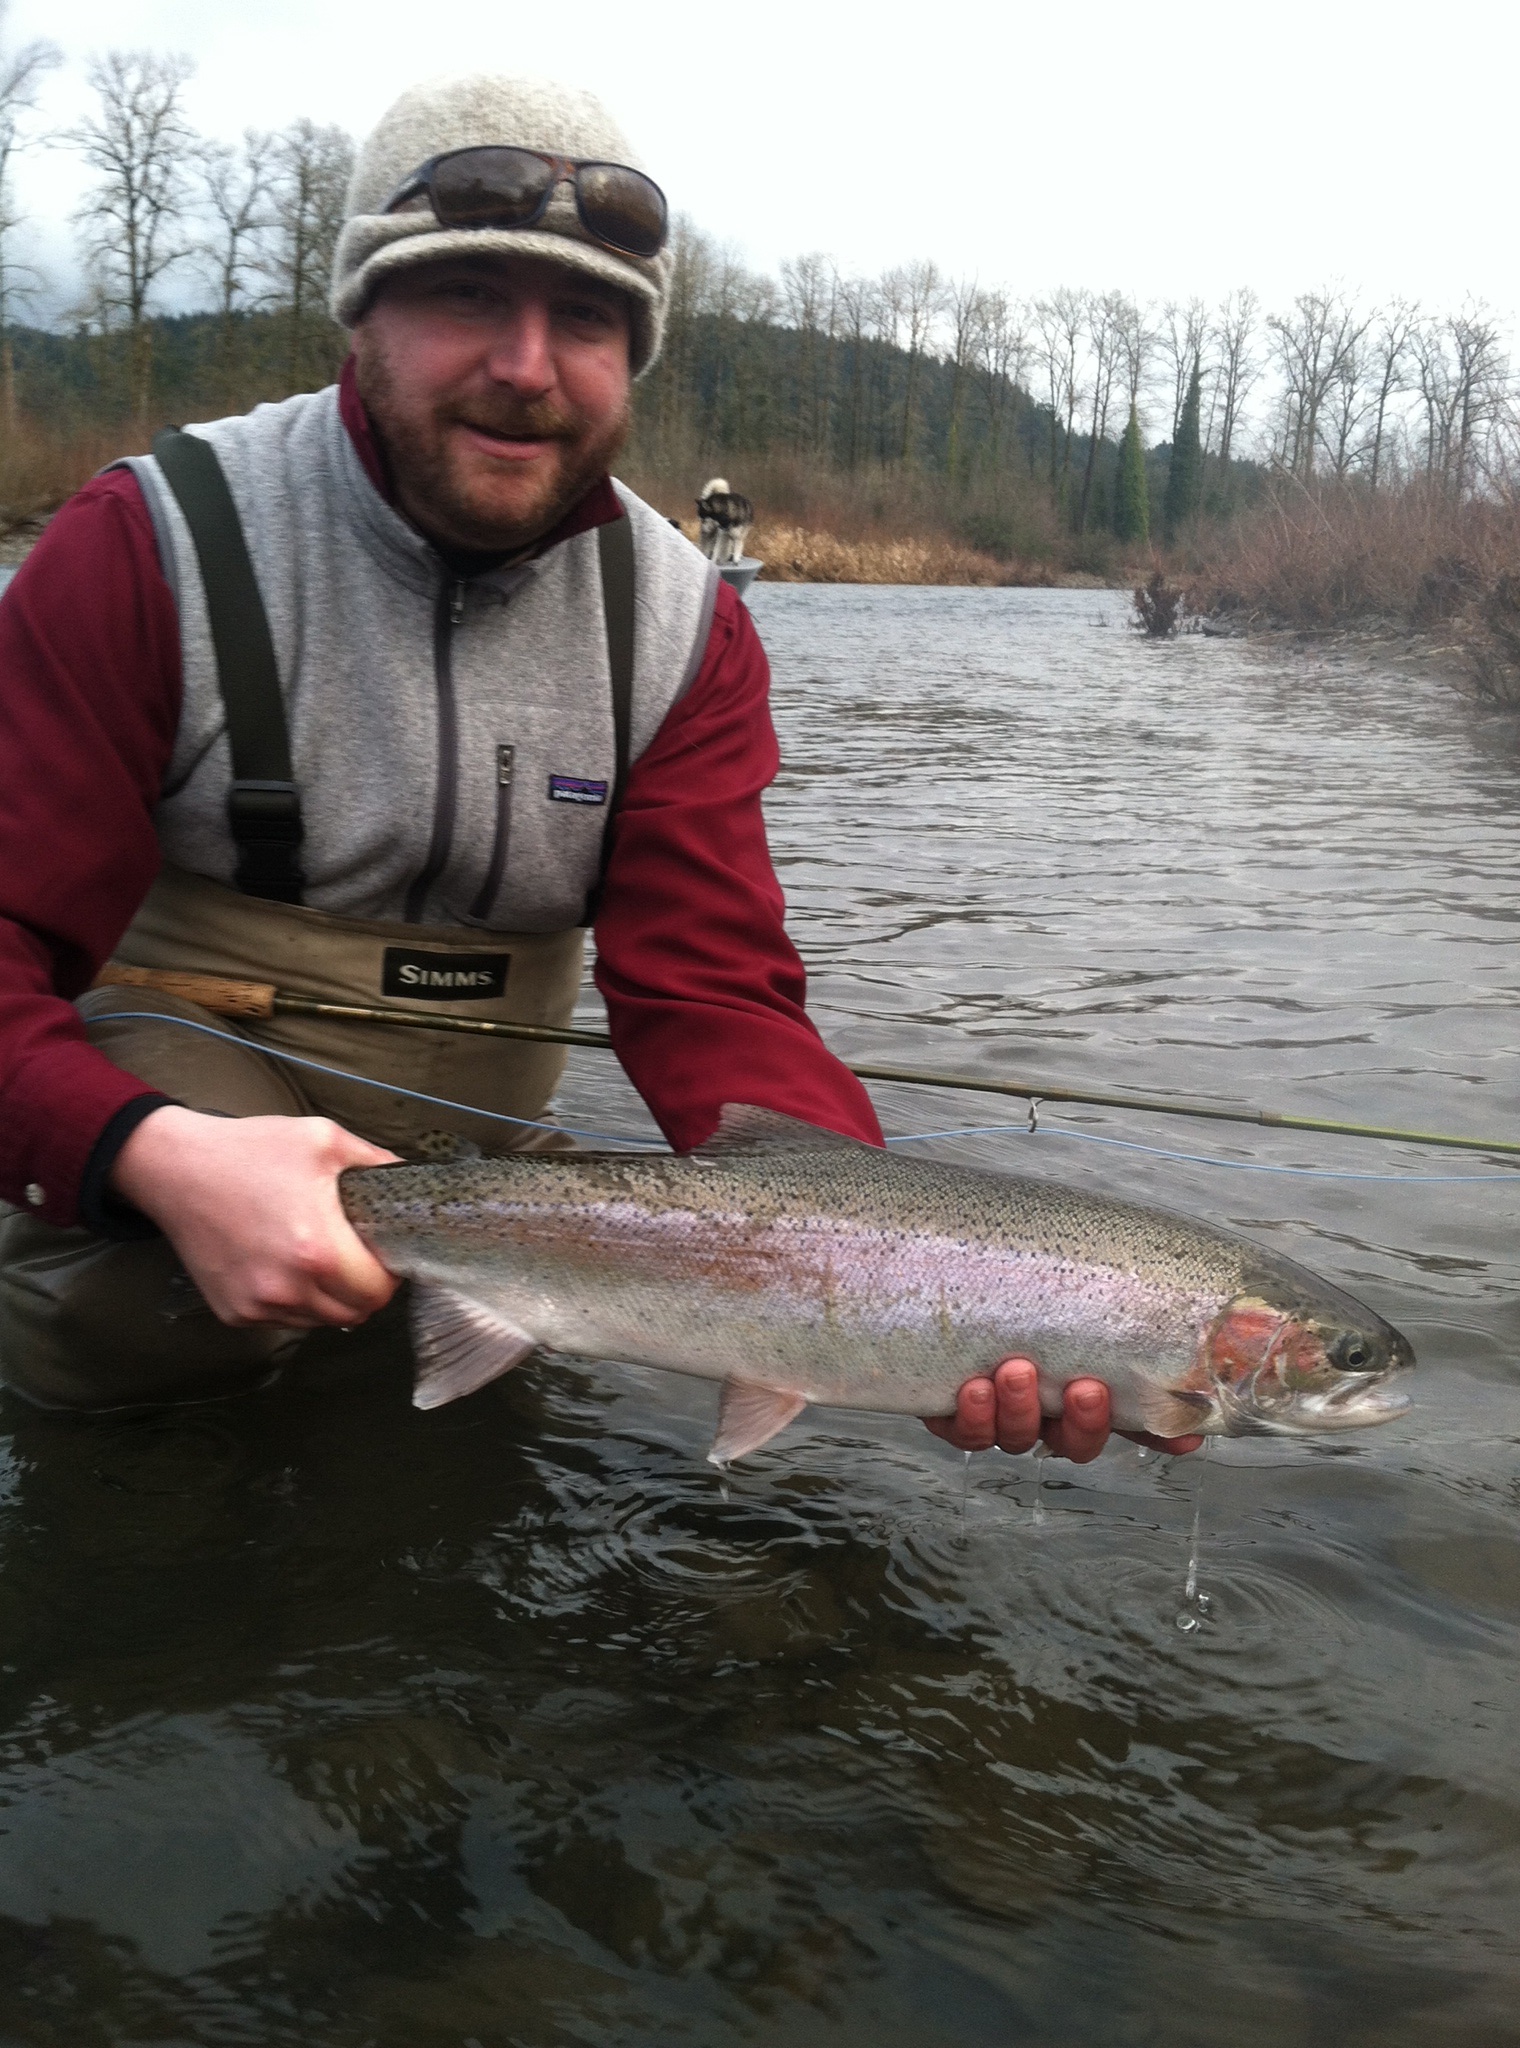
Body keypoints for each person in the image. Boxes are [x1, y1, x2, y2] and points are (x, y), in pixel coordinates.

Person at [0, 72, 1198, 1465]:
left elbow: (709, 992)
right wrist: (139, 1153)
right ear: (362, 316)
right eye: (467, 298)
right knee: (132, 1353)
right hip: (171, 1110)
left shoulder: (686, 629)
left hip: (476, 1156)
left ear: (633, 360)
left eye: (585, 319)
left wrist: (892, 1284)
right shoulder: (146, 547)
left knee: (490, 1458)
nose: (526, 364)